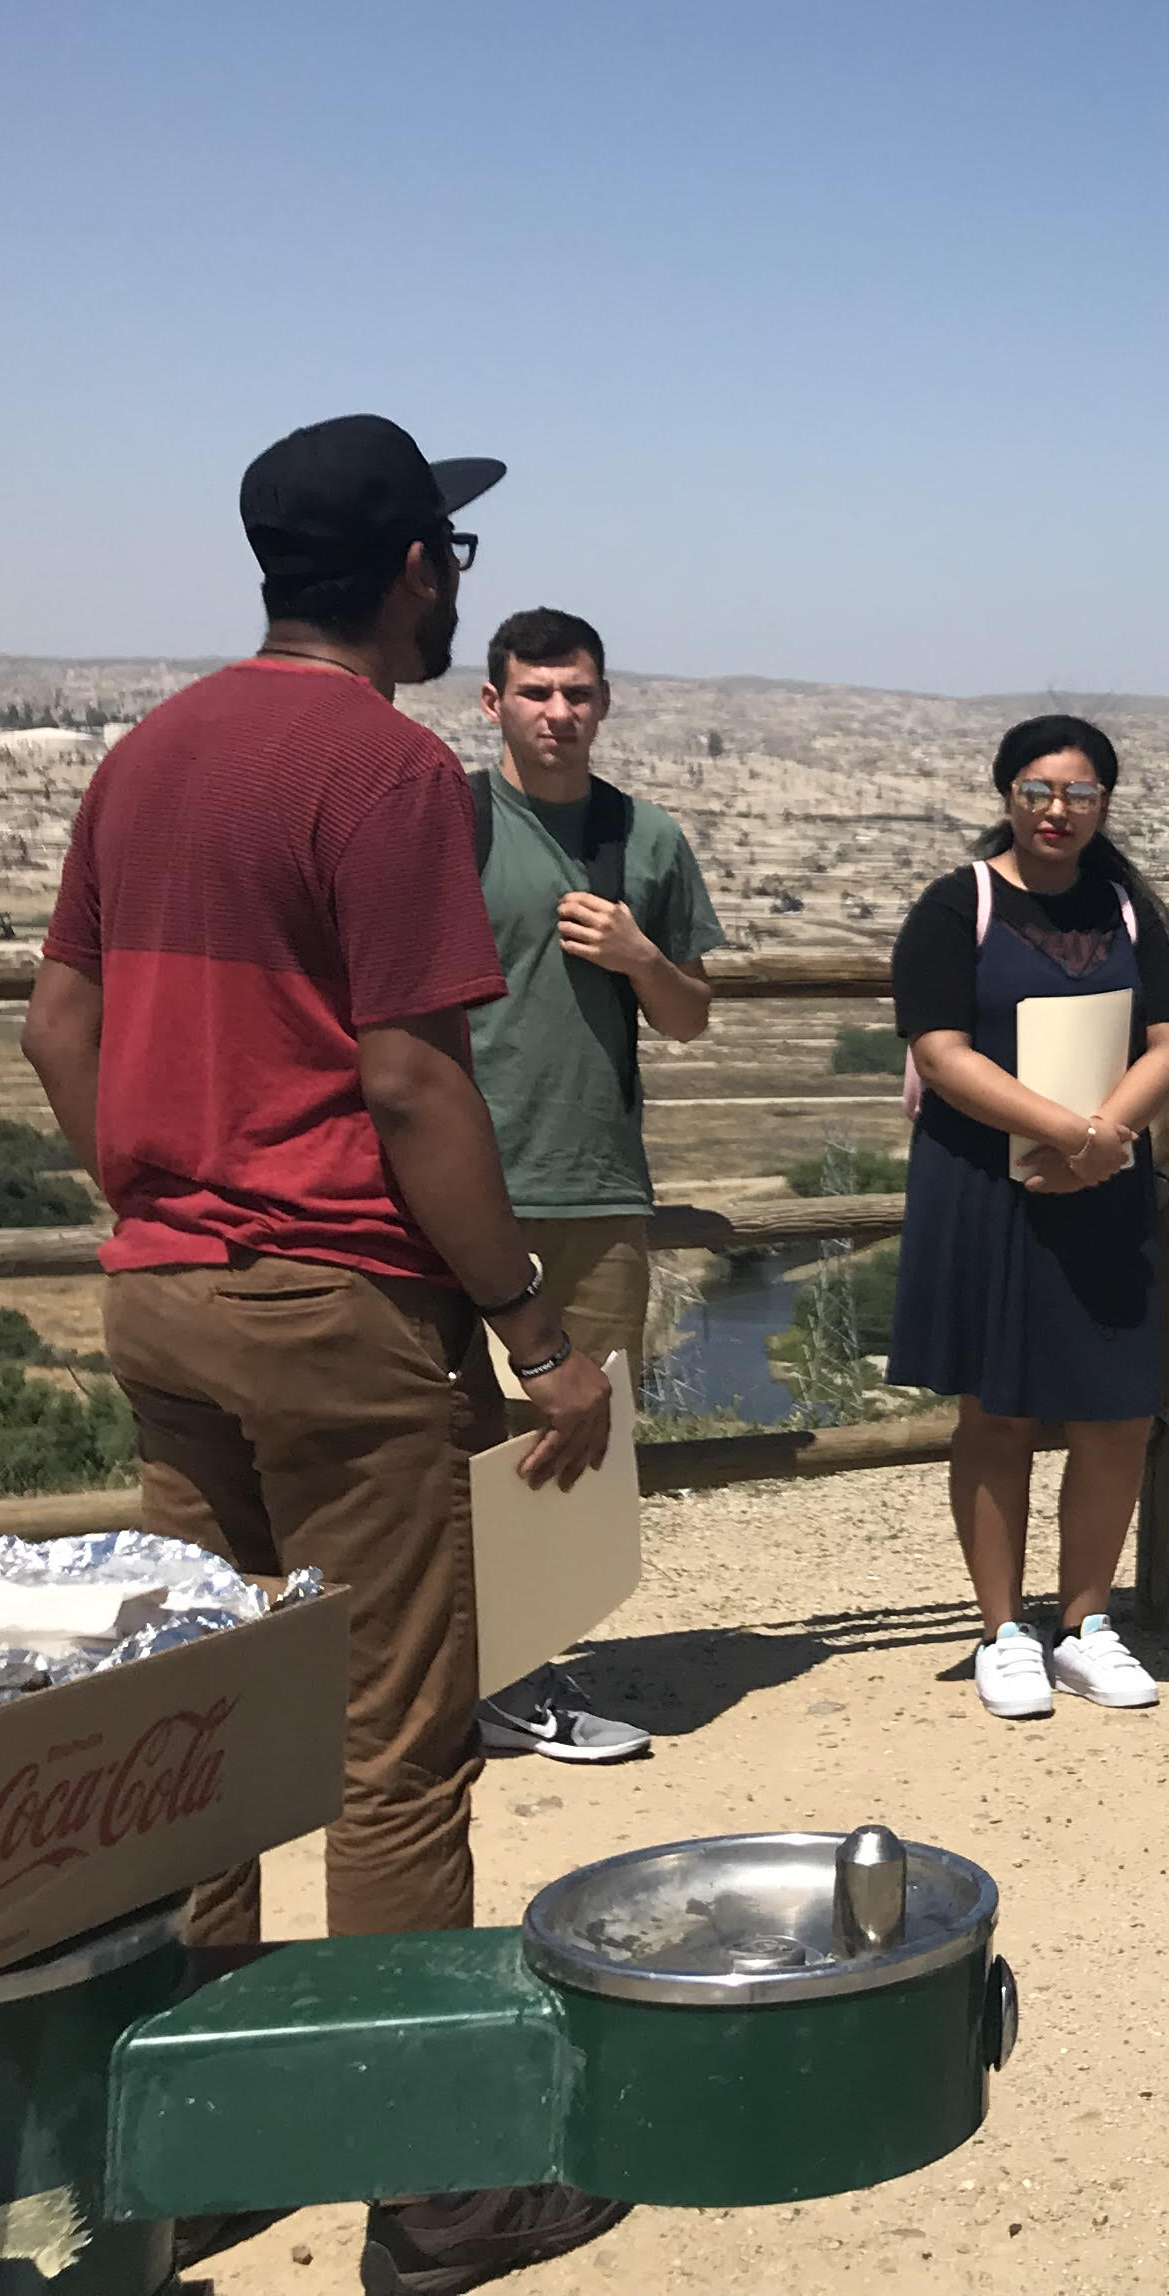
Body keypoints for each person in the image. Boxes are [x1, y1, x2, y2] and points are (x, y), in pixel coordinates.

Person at [21, 414, 624, 2295]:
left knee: (208, 1724)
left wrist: (164, 1186)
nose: (453, 574)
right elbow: (411, 1078)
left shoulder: (150, 751)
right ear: (408, 570)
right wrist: (530, 1321)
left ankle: (199, 2157)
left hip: (165, 1289)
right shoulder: (380, 770)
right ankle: (432, 2184)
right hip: (334, 1304)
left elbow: (60, 1022)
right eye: (444, 551)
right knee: (391, 1743)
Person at [888, 715, 1169, 1721]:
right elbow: (939, 1052)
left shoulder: (1127, 910)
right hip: (986, 1188)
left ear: (1105, 803)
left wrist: (1103, 1137)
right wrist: (1070, 1129)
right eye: (1038, 791)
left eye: (1078, 794)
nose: (1057, 811)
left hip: (1101, 1188)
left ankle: (1085, 1624)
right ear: (1006, 796)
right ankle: (1000, 1631)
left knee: (1117, 1414)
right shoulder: (956, 904)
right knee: (998, 1411)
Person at [463, 607, 726, 1766]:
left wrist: (638, 957)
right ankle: (470, 1675)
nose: (559, 714)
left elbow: (689, 1016)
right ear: (493, 703)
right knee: (450, 1438)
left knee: (573, 1435)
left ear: (605, 703)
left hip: (596, 1185)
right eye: (536, 693)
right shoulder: (449, 829)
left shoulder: (648, 841)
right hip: (457, 1185)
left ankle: (525, 1675)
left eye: (578, 694)